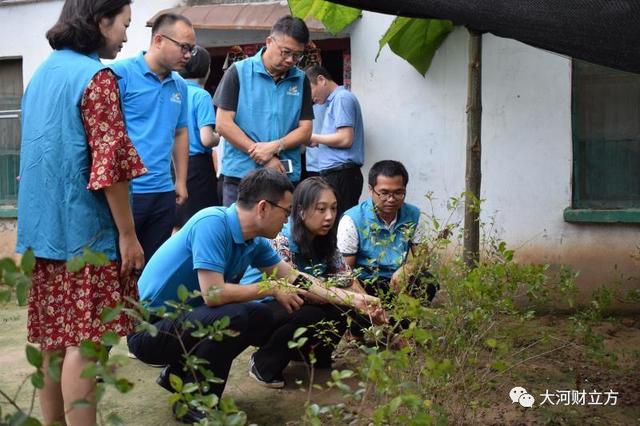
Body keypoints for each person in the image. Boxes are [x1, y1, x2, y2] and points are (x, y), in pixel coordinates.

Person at [127, 169, 380, 422]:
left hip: (184, 321)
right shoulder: (212, 223)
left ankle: (182, 376)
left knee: (258, 315)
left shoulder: (255, 242)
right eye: (286, 210)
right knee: (233, 315)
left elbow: (296, 278)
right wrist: (270, 288)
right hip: (149, 330)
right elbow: (213, 294)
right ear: (263, 207)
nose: (287, 220)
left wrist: (353, 300)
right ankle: (194, 403)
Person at [16, 1, 145, 424]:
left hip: (43, 232)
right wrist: (128, 234)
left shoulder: (42, 74)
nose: (126, 36)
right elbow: (110, 168)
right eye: (124, 25)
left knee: (55, 339)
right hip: (84, 233)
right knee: (85, 342)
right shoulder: (97, 77)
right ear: (100, 20)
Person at [242, 177, 373, 388]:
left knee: (338, 304)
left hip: (298, 302)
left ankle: (312, 356)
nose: (329, 216)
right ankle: (263, 363)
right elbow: (299, 290)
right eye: (321, 209)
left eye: (333, 208)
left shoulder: (325, 239)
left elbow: (346, 277)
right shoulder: (281, 238)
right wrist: (351, 299)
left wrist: (368, 304)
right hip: (262, 307)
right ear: (301, 210)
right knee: (312, 311)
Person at [110, 13, 194, 261]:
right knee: (121, 266)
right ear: (158, 40)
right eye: (184, 47)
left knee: (153, 267)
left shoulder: (179, 85)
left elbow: (180, 132)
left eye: (192, 49)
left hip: (163, 191)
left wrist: (180, 180)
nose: (188, 55)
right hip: (127, 193)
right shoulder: (119, 75)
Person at [214, 15, 314, 206]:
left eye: (297, 55)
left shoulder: (301, 80)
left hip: (284, 176)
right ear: (269, 42)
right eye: (286, 52)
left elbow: (306, 129)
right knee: (238, 234)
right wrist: (261, 154)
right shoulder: (238, 72)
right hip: (241, 176)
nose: (290, 60)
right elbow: (223, 123)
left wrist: (275, 146)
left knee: (280, 236)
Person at [338, 160, 436, 301]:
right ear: (370, 190)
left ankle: (407, 317)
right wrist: (364, 300)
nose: (391, 199)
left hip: (397, 279)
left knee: (428, 283)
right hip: (366, 282)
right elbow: (345, 271)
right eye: (384, 193)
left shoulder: (413, 215)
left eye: (398, 193)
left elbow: (424, 259)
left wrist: (406, 269)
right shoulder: (352, 220)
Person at [306, 65, 365, 217]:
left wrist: (313, 137)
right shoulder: (333, 101)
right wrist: (317, 141)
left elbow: (346, 138)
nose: (309, 97)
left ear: (321, 80)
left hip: (342, 174)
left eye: (309, 90)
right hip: (336, 174)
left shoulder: (341, 98)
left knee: (341, 226)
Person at [176, 45, 220, 226]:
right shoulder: (201, 95)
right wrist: (219, 136)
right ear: (207, 69)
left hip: (174, 164)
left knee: (178, 222)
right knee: (202, 220)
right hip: (197, 167)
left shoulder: (175, 90)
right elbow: (207, 138)